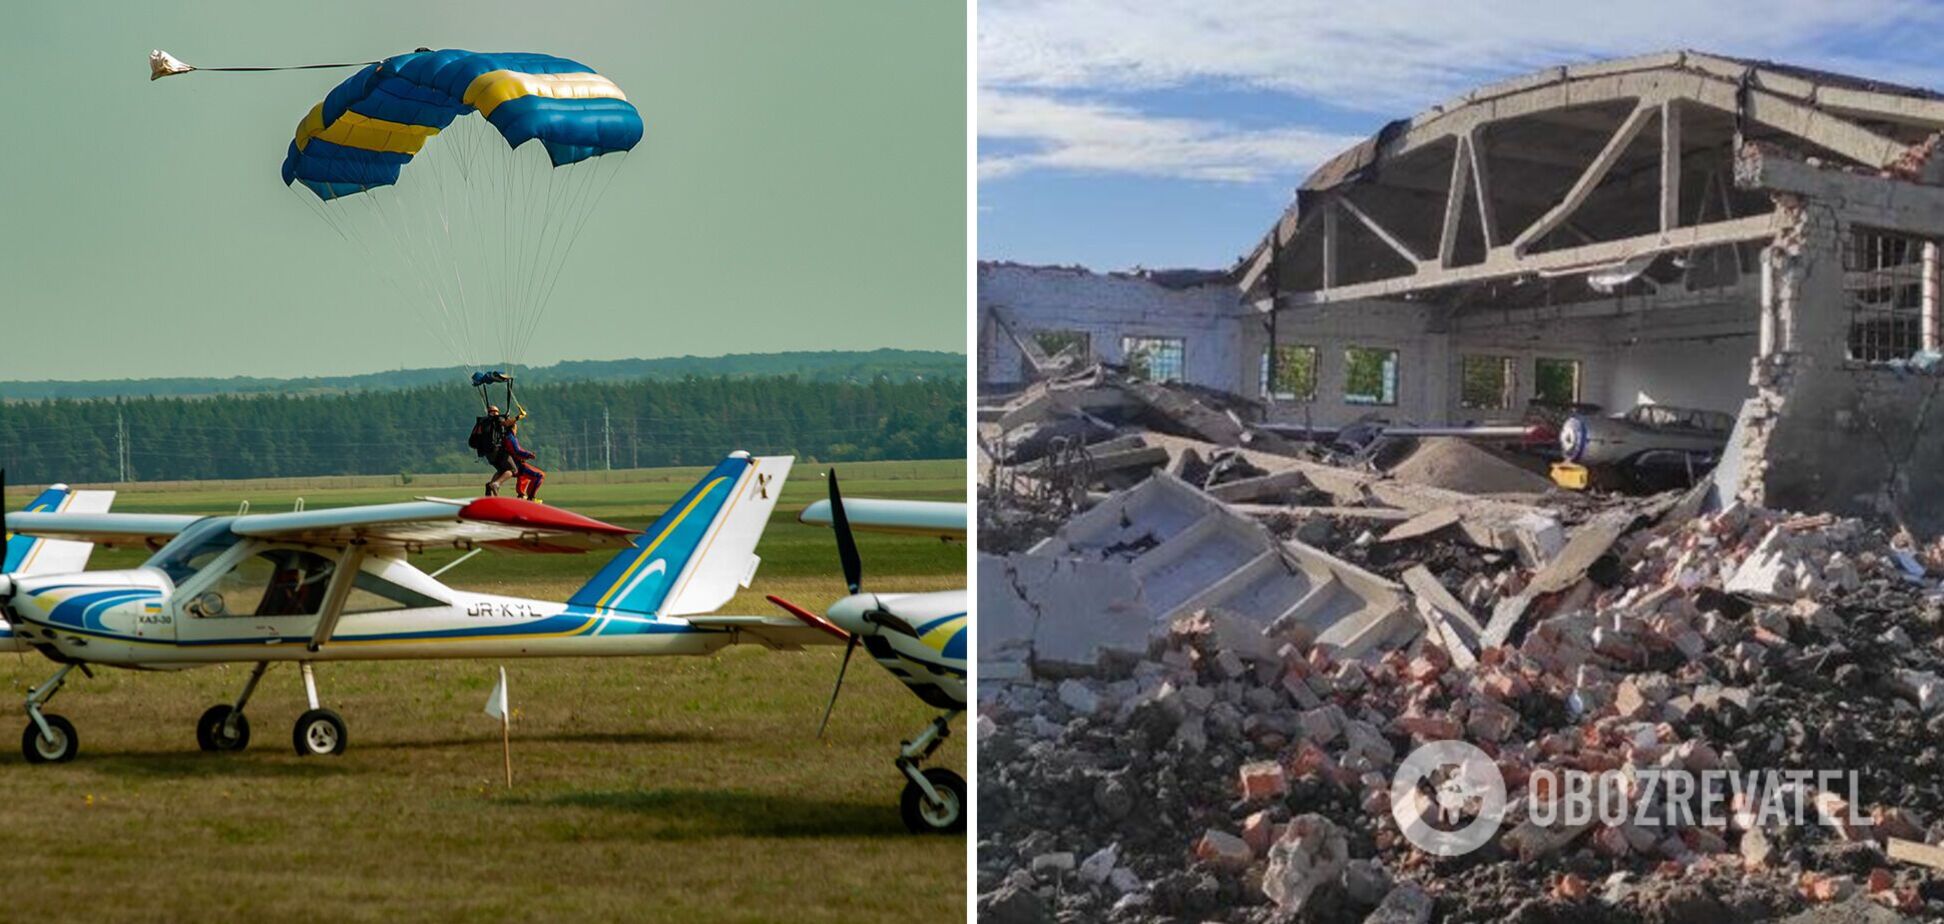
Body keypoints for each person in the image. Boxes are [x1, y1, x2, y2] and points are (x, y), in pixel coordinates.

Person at [503, 407, 546, 502]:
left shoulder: (506, 437)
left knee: (524, 476)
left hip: (515, 463)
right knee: (540, 475)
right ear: (513, 428)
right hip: (518, 465)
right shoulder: (510, 438)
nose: (516, 430)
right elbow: (517, 451)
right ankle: (531, 498)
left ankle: (521, 495)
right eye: (515, 427)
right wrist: (529, 455)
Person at [480, 405, 519, 497]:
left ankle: (490, 486)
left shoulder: (483, 421)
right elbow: (506, 424)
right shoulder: (497, 419)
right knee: (513, 470)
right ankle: (496, 484)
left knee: (502, 470)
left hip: (488, 454)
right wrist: (518, 417)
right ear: (495, 412)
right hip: (498, 450)